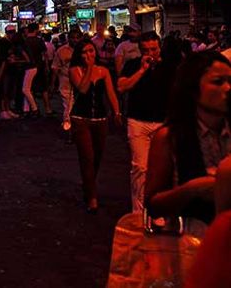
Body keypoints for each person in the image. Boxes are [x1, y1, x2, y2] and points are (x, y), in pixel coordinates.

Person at [145, 51, 231, 224]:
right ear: (193, 89)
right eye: (218, 82)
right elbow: (153, 206)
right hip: (190, 242)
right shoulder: (170, 137)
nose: (228, 88)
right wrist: (191, 190)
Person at [117, 31, 176, 212]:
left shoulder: (171, 66)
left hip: (162, 122)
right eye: (146, 50)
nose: (151, 53)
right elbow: (122, 87)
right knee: (140, 167)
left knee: (164, 167)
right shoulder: (133, 65)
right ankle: (139, 211)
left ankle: (159, 208)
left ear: (160, 47)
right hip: (138, 121)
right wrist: (142, 70)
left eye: (154, 49)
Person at [69, 38, 120, 212]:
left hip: (100, 119)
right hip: (80, 119)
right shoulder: (74, 70)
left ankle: (88, 185)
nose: (88, 55)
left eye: (91, 51)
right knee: (87, 157)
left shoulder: (104, 71)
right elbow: (82, 90)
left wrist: (117, 112)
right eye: (84, 52)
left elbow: (111, 93)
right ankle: (92, 196)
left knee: (97, 158)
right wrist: (89, 69)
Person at [51, 26, 82, 129]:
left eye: (77, 38)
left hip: (82, 81)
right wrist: (52, 84)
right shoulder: (61, 51)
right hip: (66, 81)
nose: (75, 40)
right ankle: (69, 125)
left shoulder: (85, 49)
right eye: (73, 38)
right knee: (68, 105)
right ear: (69, 38)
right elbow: (55, 68)